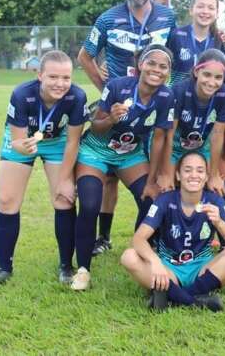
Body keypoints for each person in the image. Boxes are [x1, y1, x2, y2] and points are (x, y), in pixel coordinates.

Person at [78, 0, 176, 257]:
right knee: (109, 174)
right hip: (122, 105)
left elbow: (175, 56)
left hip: (154, 104)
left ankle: (152, 240)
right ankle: (103, 237)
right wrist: (107, 93)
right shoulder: (108, 19)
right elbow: (85, 56)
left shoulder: (168, 16)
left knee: (154, 175)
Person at [0, 51, 87, 290]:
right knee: (7, 200)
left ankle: (66, 266)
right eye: (53, 77)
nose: (60, 83)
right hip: (23, 141)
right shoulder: (21, 94)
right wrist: (24, 147)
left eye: (66, 77)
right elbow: (17, 141)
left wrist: (67, 179)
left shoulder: (77, 96)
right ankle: (3, 267)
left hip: (58, 142)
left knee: (64, 198)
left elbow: (72, 142)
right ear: (40, 75)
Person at [72, 44, 175, 291]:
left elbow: (160, 138)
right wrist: (111, 118)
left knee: (151, 200)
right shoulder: (118, 86)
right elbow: (96, 125)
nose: (156, 70)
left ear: (169, 72)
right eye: (151, 63)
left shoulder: (166, 96)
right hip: (96, 150)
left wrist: (153, 180)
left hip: (129, 154)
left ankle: (140, 251)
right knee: (89, 204)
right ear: (140, 65)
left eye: (163, 66)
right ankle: (83, 269)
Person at [121, 151, 225, 312]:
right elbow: (138, 239)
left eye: (200, 171)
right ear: (178, 176)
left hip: (202, 268)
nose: (194, 175)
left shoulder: (215, 201)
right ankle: (196, 300)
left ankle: (172, 297)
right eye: (188, 170)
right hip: (169, 269)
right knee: (129, 256)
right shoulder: (165, 200)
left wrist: (219, 222)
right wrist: (155, 262)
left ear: (207, 176)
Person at [163, 50, 225, 198]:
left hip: (202, 148)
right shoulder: (179, 91)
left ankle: (222, 221)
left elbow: (217, 135)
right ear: (197, 72)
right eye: (207, 75)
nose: (211, 82)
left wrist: (214, 175)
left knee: (219, 188)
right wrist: (165, 172)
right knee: (166, 190)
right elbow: (168, 136)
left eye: (218, 77)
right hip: (175, 148)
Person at [167, 0, 225, 86]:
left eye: (211, 8)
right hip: (179, 95)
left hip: (206, 95)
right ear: (191, 10)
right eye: (200, 6)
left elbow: (223, 71)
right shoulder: (176, 35)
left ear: (217, 13)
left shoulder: (219, 38)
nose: (205, 11)